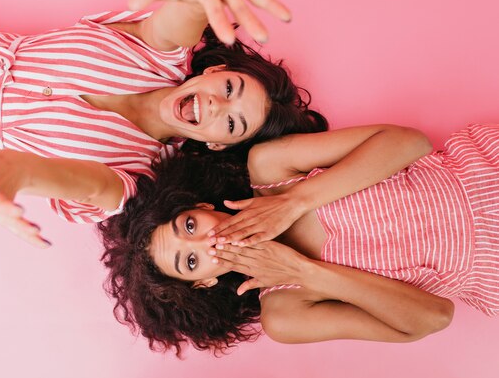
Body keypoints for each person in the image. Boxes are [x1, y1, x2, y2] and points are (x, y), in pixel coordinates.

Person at [0, 0, 326, 247]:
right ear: (213, 72)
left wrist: (18, 171)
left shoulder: (138, 177)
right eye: (230, 90)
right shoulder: (156, 53)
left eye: (231, 125)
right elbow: (179, 16)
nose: (215, 106)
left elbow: (90, 186)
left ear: (215, 147)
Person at [99, 123, 498, 355]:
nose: (208, 241)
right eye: (191, 261)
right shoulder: (286, 314)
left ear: (200, 205)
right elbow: (434, 316)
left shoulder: (271, 167)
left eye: (188, 226)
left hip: (483, 170)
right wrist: (303, 271)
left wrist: (293, 201)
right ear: (203, 283)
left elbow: (413, 143)